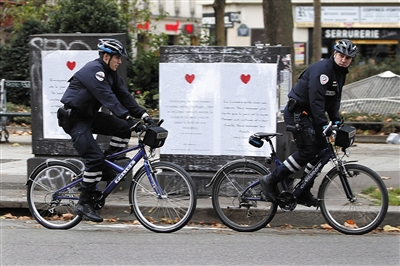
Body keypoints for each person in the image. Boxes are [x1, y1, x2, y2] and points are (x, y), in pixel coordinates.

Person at [58, 38, 157, 222]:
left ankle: (109, 163)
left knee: (123, 128)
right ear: (106, 56)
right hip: (75, 120)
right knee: (94, 158)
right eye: (117, 58)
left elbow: (124, 96)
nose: (120, 61)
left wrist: (144, 116)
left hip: (90, 117)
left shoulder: (111, 74)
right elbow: (107, 97)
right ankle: (84, 203)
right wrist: (127, 117)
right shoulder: (93, 71)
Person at [259, 39, 358, 207]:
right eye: (341, 55)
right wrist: (323, 125)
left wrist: (335, 121)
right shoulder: (323, 71)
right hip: (298, 113)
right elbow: (316, 100)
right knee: (308, 150)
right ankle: (270, 180)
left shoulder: (340, 73)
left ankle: (304, 190)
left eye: (347, 58)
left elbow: (334, 100)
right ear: (334, 54)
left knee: (322, 151)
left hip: (311, 115)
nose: (343, 60)